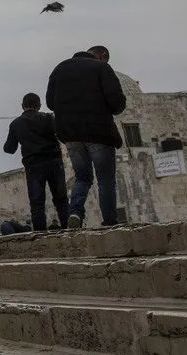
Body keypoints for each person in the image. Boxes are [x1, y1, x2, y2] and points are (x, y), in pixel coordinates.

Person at [46, 45, 127, 229]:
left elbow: (51, 102)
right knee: (105, 178)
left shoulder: (60, 68)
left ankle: (75, 212)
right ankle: (109, 221)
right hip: (99, 133)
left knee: (82, 177)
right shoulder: (102, 68)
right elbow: (116, 101)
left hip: (71, 135)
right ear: (103, 56)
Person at [3, 92, 70, 231]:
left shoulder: (15, 124)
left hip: (33, 165)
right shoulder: (48, 118)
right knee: (61, 200)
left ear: (22, 106)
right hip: (54, 161)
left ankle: (41, 235)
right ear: (39, 106)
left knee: (37, 203)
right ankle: (70, 230)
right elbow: (62, 134)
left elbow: (9, 149)